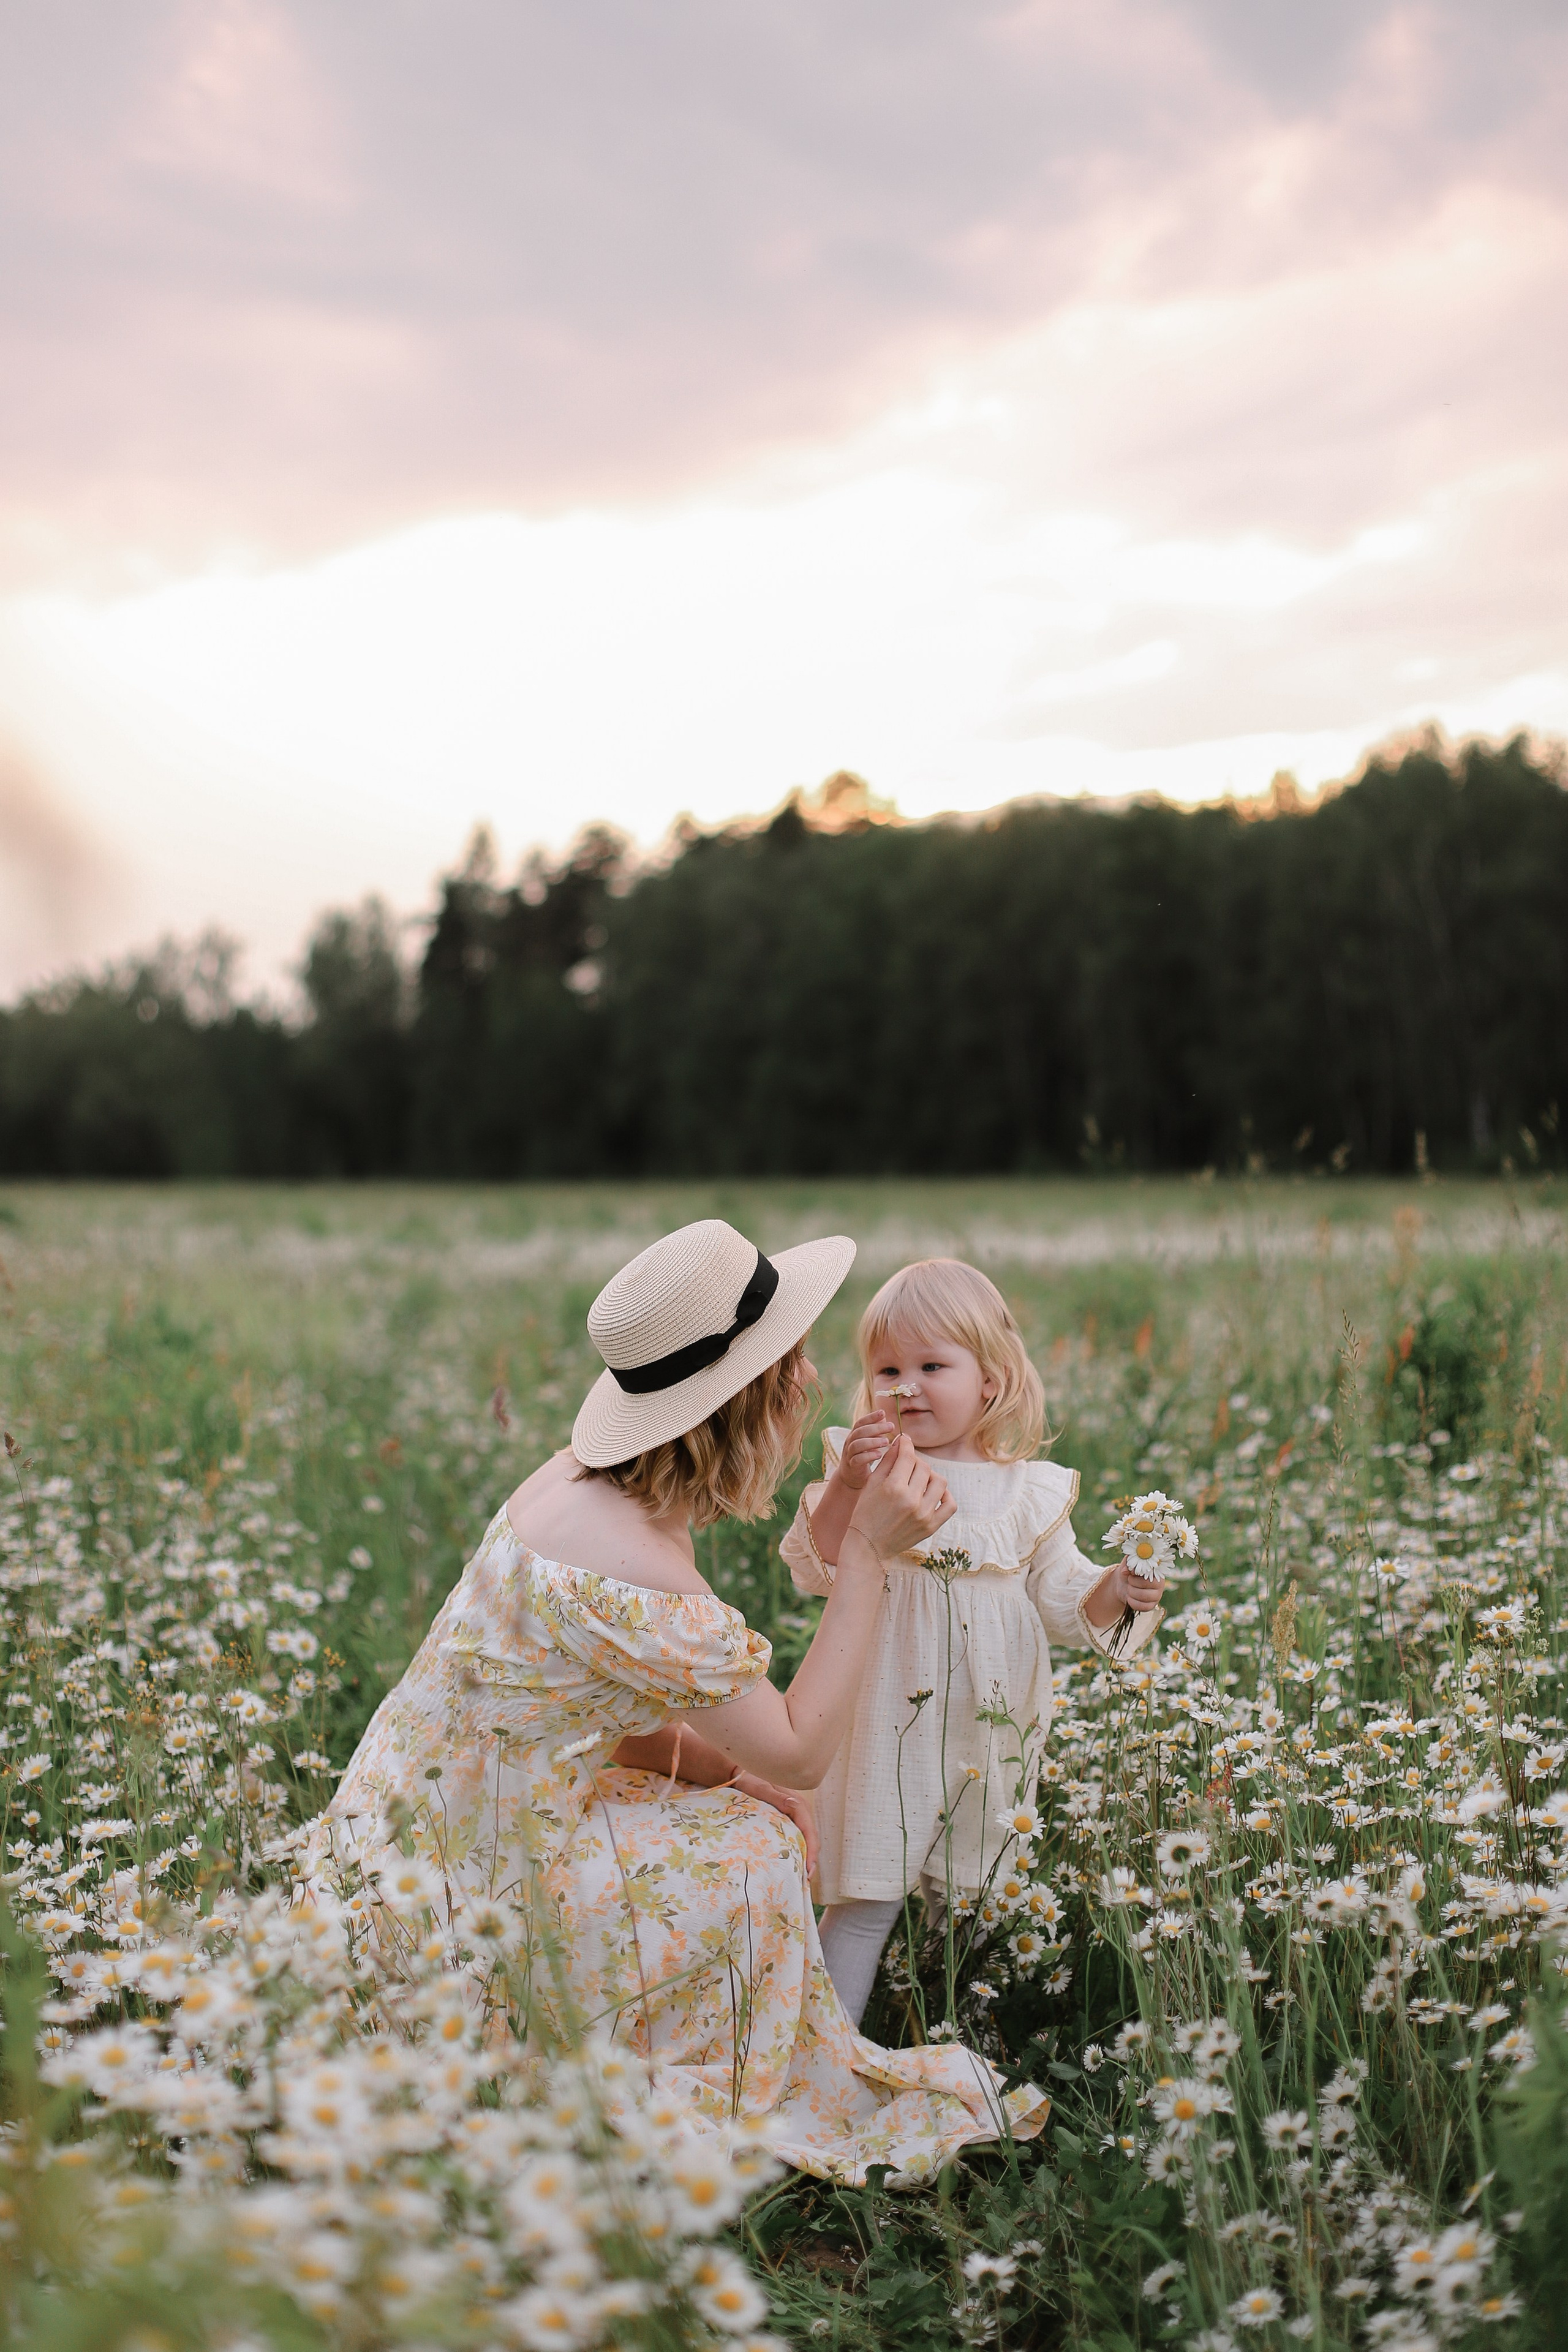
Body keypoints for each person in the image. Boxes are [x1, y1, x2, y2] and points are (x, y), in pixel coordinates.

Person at [319, 1219, 1047, 2185]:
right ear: (758, 1396)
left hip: (396, 1850)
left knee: (738, 1805)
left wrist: (732, 1774)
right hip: (473, 1910)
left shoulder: (573, 1486)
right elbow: (801, 1755)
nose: (812, 1382)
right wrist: (869, 1549)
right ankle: (666, 2051)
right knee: (761, 1848)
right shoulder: (645, 1572)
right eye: (792, 1363)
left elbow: (603, 1714)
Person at [780, 1258, 1167, 2025]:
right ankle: (813, 2052)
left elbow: (1060, 1598)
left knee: (970, 1906)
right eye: (887, 1368)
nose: (906, 1386)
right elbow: (818, 1567)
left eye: (932, 1365)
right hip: (885, 1714)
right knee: (866, 1894)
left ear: (989, 1380)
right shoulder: (874, 1468)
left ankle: (951, 2032)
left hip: (989, 1726)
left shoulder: (1031, 1490)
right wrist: (853, 1488)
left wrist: (1117, 1591)